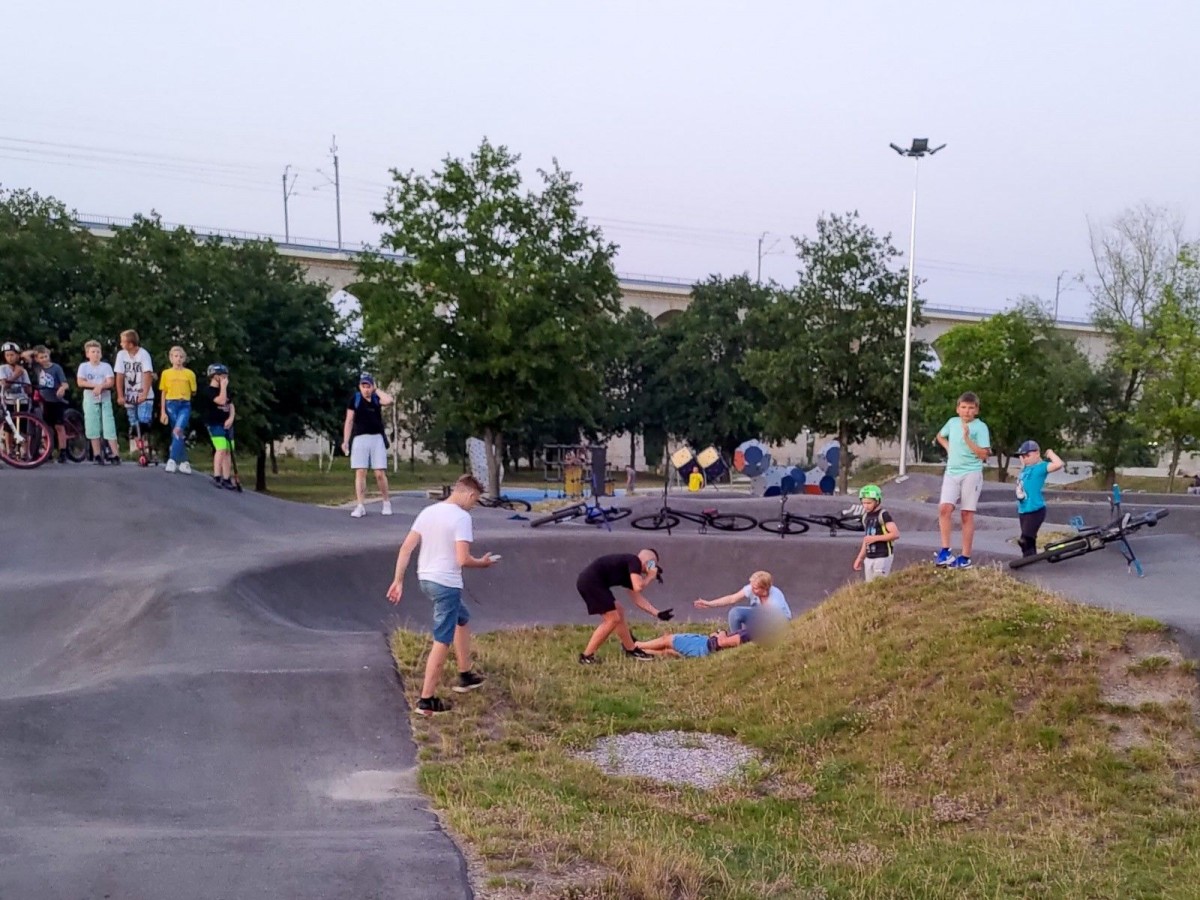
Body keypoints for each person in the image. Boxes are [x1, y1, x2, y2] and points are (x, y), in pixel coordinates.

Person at [386, 474, 496, 716]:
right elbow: (463, 559)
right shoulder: (461, 517)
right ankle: (426, 701)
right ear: (469, 495)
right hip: (447, 584)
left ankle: (466, 673)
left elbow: (406, 548)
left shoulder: (429, 512)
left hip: (426, 578)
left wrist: (398, 580)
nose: (473, 506)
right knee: (442, 639)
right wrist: (483, 563)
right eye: (475, 501)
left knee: (462, 618)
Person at [577, 550, 672, 664]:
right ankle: (586, 656)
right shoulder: (634, 561)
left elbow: (637, 597)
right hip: (591, 582)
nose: (652, 568)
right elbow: (638, 587)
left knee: (619, 611)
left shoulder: (630, 570)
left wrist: (657, 613)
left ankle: (631, 649)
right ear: (648, 562)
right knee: (613, 619)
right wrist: (650, 576)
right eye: (652, 565)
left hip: (594, 582)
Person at [935, 391, 991, 569]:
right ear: (958, 409)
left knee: (966, 514)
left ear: (976, 410)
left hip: (971, 472)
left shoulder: (980, 427)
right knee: (945, 508)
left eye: (971, 408)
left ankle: (965, 556)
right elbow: (940, 435)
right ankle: (945, 550)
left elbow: (984, 454)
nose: (967, 411)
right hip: (952, 471)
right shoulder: (952, 422)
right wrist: (948, 447)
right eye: (964, 407)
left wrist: (967, 438)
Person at [341, 373, 394, 518]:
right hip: (360, 438)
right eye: (363, 386)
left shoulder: (376, 398)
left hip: (376, 438)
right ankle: (360, 505)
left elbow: (389, 400)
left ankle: (386, 502)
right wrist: (346, 441)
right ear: (360, 387)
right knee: (360, 472)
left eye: (368, 386)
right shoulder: (355, 399)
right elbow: (349, 420)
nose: (366, 389)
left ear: (372, 386)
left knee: (379, 473)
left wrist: (376, 390)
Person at [694, 570, 792, 634]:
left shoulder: (775, 599)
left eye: (756, 588)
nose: (752, 590)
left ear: (765, 589)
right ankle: (736, 639)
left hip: (777, 623)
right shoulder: (752, 588)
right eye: (752, 586)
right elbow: (732, 598)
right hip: (760, 618)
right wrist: (709, 604)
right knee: (735, 613)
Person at [1014, 441, 1064, 557]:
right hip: (1023, 510)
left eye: (1027, 456)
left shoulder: (1040, 468)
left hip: (1035, 510)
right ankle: (1030, 560)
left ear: (1037, 454)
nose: (1025, 459)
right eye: (1023, 457)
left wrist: (1050, 453)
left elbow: (1058, 464)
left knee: (1025, 539)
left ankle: (1031, 557)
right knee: (1029, 543)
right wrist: (1023, 457)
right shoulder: (1025, 469)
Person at [76, 340, 120, 465]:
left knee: (108, 424)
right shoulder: (84, 367)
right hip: (90, 397)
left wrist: (101, 387)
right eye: (93, 352)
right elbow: (80, 382)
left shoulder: (105, 367)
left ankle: (115, 453)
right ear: (87, 354)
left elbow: (110, 382)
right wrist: (95, 386)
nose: (96, 354)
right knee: (92, 424)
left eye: (98, 352)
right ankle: (97, 454)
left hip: (104, 398)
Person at [24, 346, 70, 463]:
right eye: (41, 357)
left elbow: (65, 383)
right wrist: (35, 353)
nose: (44, 359)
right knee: (46, 427)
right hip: (44, 400)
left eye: (46, 356)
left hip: (56, 400)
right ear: (37, 359)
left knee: (59, 426)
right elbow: (24, 355)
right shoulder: (37, 367)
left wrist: (62, 389)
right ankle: (48, 450)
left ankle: (63, 451)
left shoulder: (56, 368)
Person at [114, 330, 155, 460]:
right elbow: (119, 375)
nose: (120, 344)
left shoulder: (143, 354)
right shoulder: (121, 355)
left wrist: (144, 392)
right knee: (133, 424)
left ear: (130, 344)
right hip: (130, 395)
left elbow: (148, 374)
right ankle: (140, 449)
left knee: (143, 421)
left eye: (123, 341)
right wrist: (120, 395)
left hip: (144, 394)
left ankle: (147, 449)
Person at [158, 346, 197, 474]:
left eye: (181, 357)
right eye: (176, 356)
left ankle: (172, 459)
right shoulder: (166, 373)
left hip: (184, 404)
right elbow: (163, 392)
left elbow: (193, 391)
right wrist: (163, 411)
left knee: (178, 429)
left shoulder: (190, 373)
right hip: (171, 403)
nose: (178, 359)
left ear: (184, 359)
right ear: (171, 358)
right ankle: (184, 462)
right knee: (177, 432)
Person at [852, 484, 900, 582]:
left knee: (879, 583)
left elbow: (895, 534)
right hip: (869, 557)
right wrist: (860, 558)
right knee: (869, 586)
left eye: (869, 503)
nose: (866, 506)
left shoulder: (883, 515)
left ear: (877, 501)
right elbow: (866, 540)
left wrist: (875, 538)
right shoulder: (866, 517)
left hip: (883, 555)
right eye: (863, 503)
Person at [203, 364, 237, 490]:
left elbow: (230, 404)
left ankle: (227, 478)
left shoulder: (228, 390)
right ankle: (217, 476)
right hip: (214, 423)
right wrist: (222, 387)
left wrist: (231, 418)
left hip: (226, 423)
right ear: (215, 377)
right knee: (221, 448)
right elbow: (221, 401)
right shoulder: (209, 391)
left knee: (228, 450)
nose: (225, 379)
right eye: (222, 376)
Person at [633, 627, 751, 659]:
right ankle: (640, 652)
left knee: (668, 640)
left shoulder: (750, 634)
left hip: (703, 646)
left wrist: (721, 632)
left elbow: (722, 642)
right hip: (705, 651)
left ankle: (635, 645)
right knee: (668, 652)